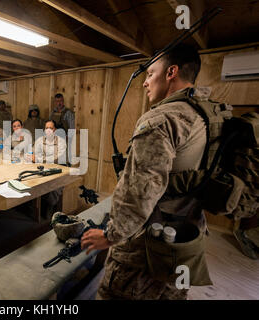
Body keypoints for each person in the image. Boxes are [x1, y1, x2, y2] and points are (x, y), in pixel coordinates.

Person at [81, 44, 211, 300]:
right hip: (187, 236)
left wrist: (110, 236)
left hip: (149, 245)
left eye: (151, 73)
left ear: (171, 72)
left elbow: (140, 191)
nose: (145, 82)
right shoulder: (206, 115)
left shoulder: (162, 120)